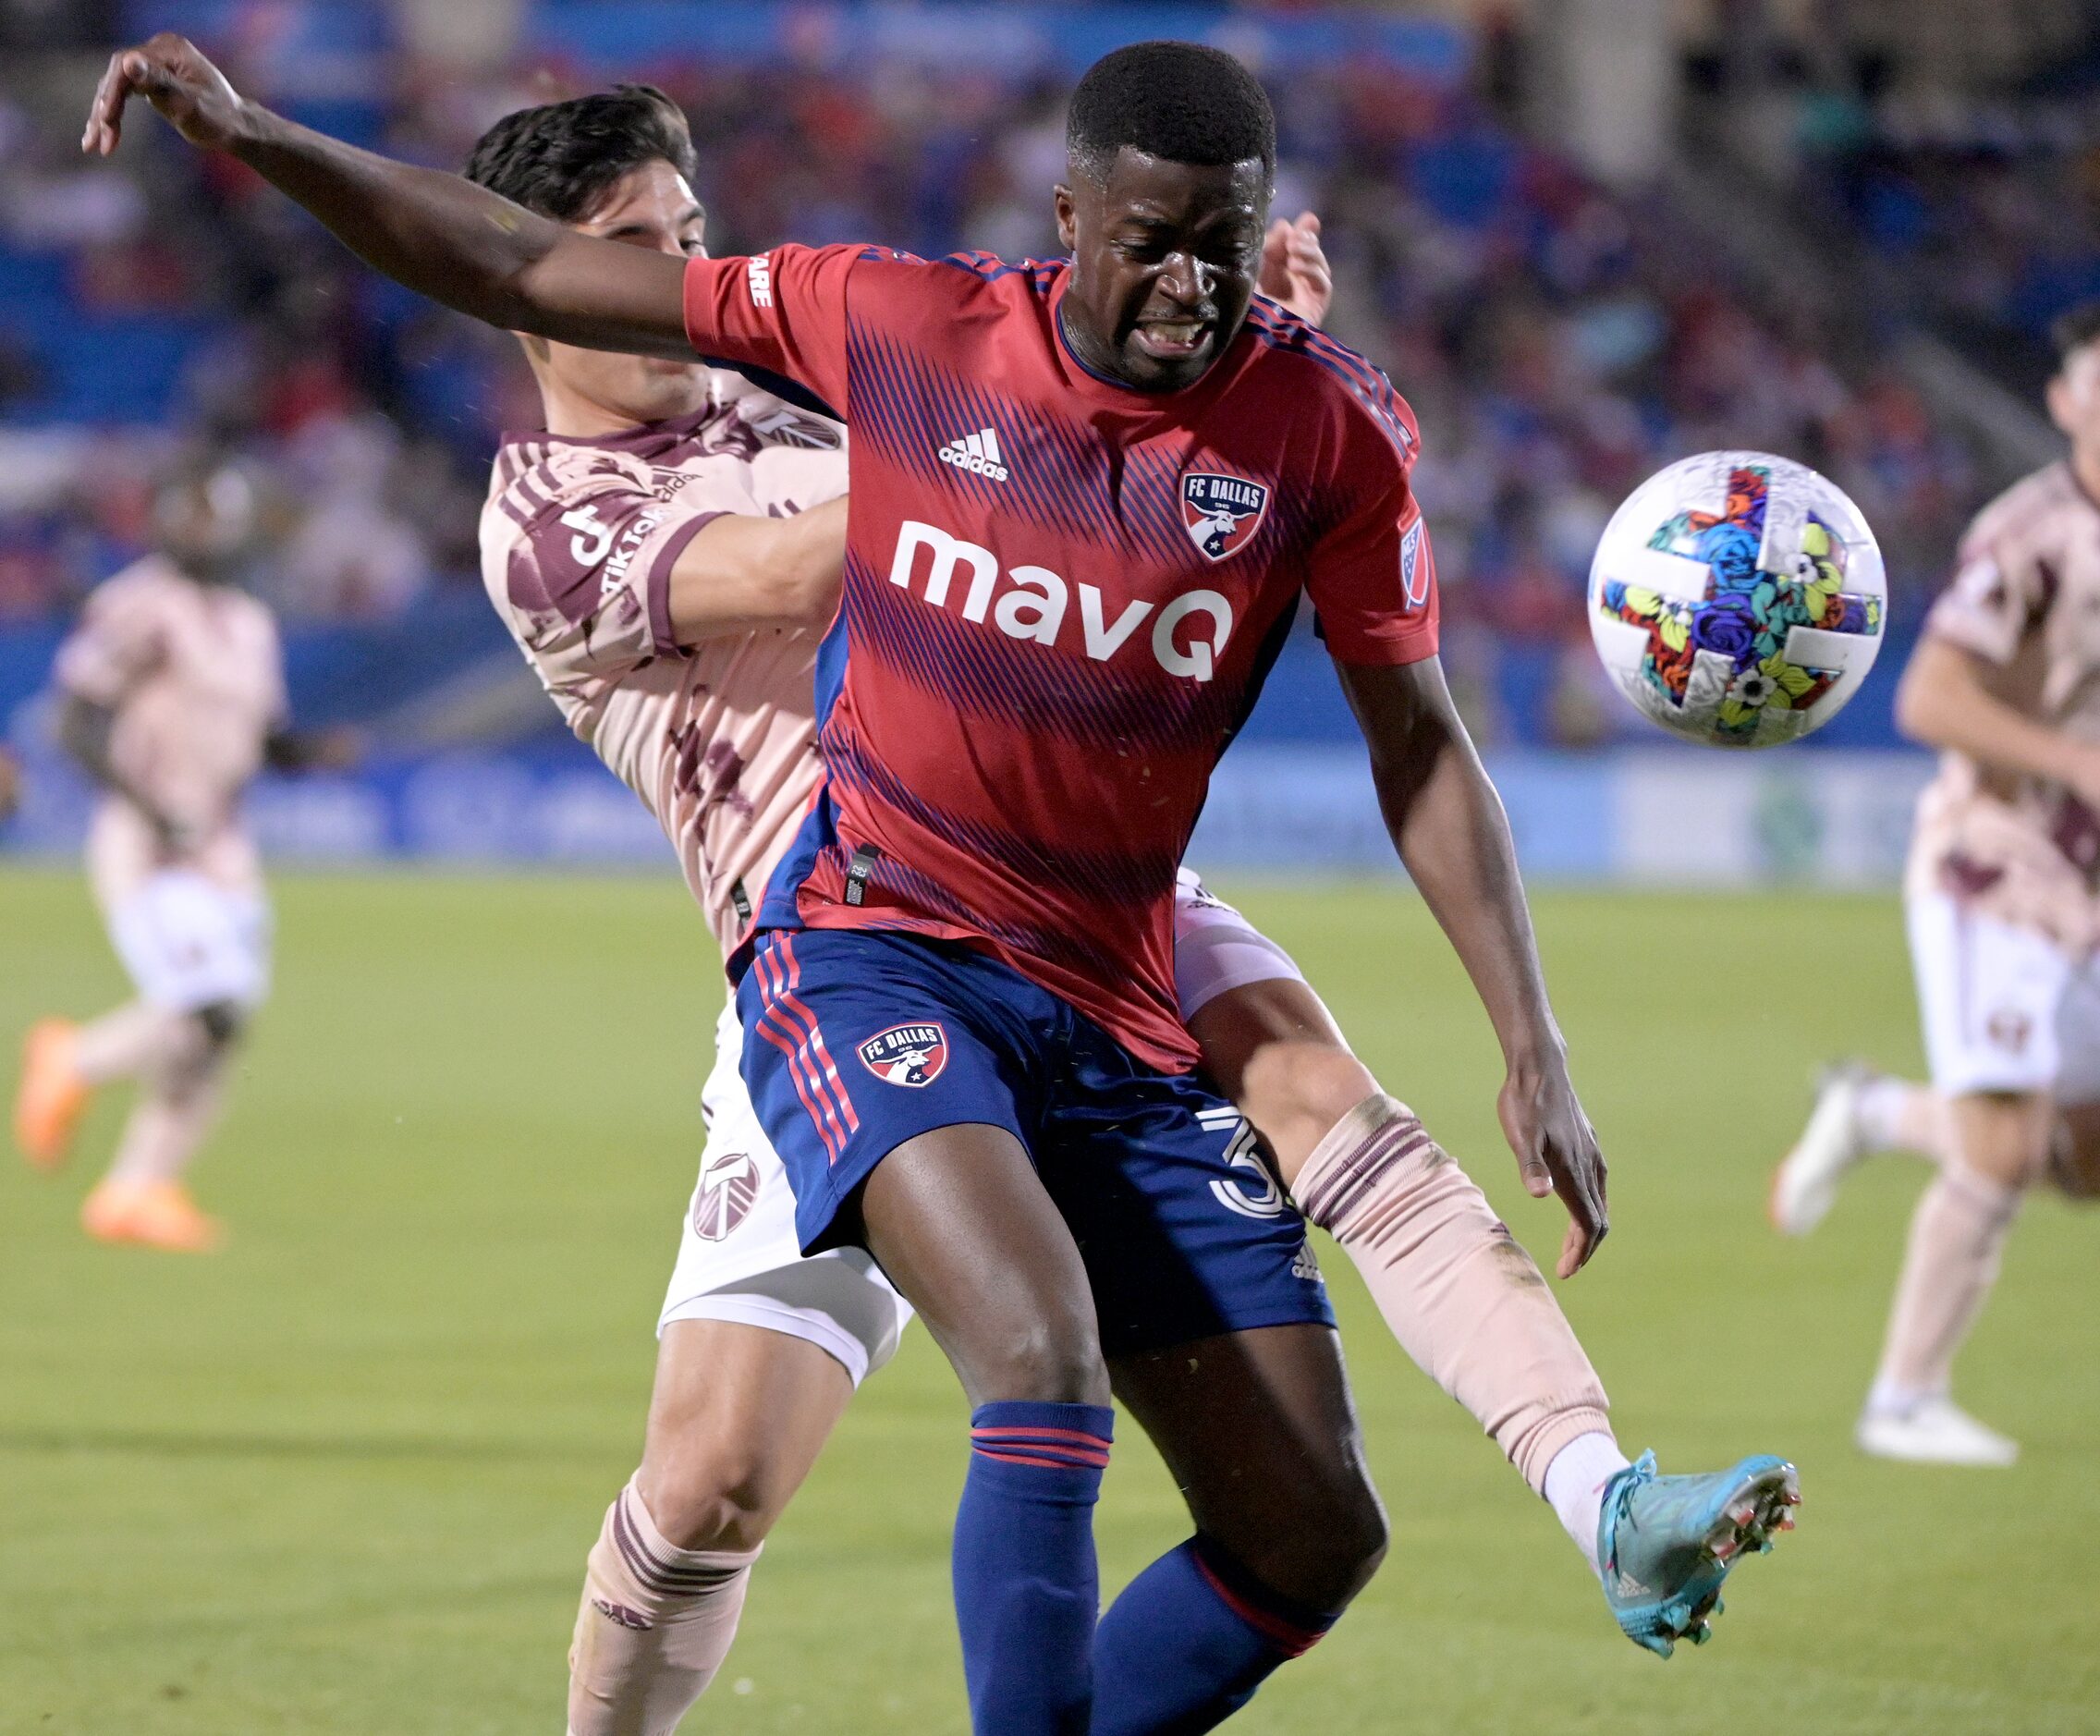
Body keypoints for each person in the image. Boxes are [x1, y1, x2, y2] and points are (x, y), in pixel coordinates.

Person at [87, 40, 1799, 1732]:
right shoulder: (550, 518)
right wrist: (1031, 407)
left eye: (693, 228)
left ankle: (1596, 1487)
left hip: (1076, 893)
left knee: (1309, 1093)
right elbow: (827, 525)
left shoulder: (783, 383)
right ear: (562, 290)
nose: (688, 261)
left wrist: (1208, 372)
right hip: (843, 931)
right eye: (651, 240)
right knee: (711, 1487)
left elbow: (1054, 444)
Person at [1772, 300, 2100, 1468]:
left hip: (2086, 888)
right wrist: (2073, 764)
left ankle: (1871, 1112)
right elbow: (1927, 699)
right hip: (1994, 865)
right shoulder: (2032, 538)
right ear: (2064, 405)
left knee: (2079, 1161)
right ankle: (1902, 1401)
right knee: (2005, 1145)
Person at [12, 460, 345, 1250]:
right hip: (150, 842)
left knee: (221, 1029)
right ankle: (74, 1058)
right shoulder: (141, 603)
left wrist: (312, 753)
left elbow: (260, 738)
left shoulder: (249, 623)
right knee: (210, 1004)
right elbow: (78, 719)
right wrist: (149, 807)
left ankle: (137, 1189)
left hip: (222, 847)